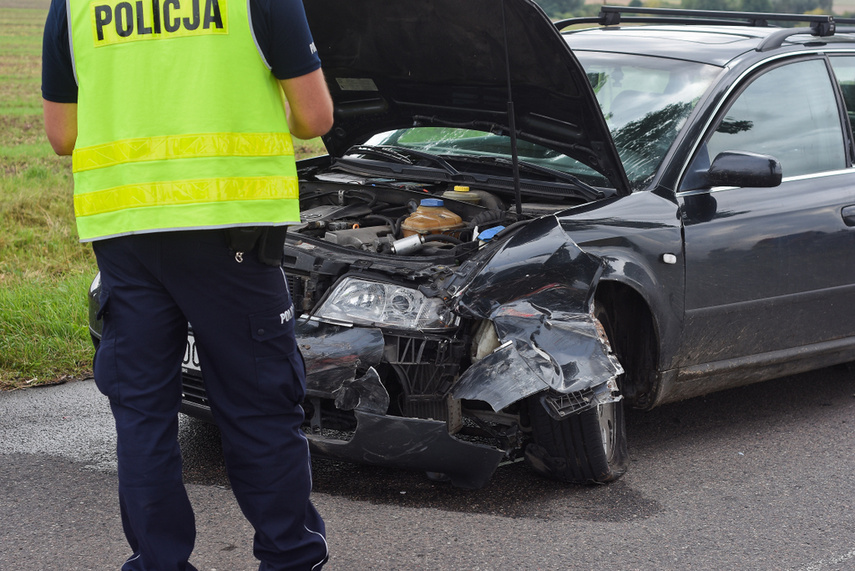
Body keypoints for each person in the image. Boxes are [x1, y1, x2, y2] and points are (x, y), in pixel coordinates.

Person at [41, 0, 334, 567]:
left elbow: (61, 134)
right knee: (259, 408)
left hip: (127, 235)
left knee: (143, 414)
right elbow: (316, 118)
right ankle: (290, 558)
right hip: (232, 231)